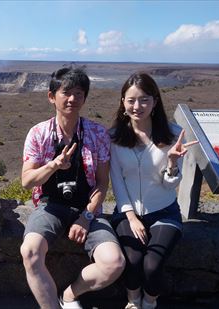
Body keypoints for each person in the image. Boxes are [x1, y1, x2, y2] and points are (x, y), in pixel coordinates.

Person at [20, 67, 125, 309]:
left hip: (86, 208)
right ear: (51, 96)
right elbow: (27, 181)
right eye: (65, 92)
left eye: (78, 93)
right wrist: (54, 165)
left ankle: (69, 294)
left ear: (85, 97)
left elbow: (101, 182)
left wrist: (87, 217)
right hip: (50, 207)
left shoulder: (97, 134)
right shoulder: (38, 134)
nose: (72, 99)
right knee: (30, 253)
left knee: (114, 263)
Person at [109, 72, 198, 309]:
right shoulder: (114, 137)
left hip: (164, 212)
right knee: (133, 260)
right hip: (128, 213)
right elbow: (116, 180)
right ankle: (133, 301)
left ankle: (149, 302)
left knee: (152, 265)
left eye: (144, 99)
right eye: (131, 100)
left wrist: (171, 163)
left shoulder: (172, 134)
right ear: (123, 102)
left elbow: (171, 185)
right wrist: (130, 216)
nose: (137, 106)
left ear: (155, 102)